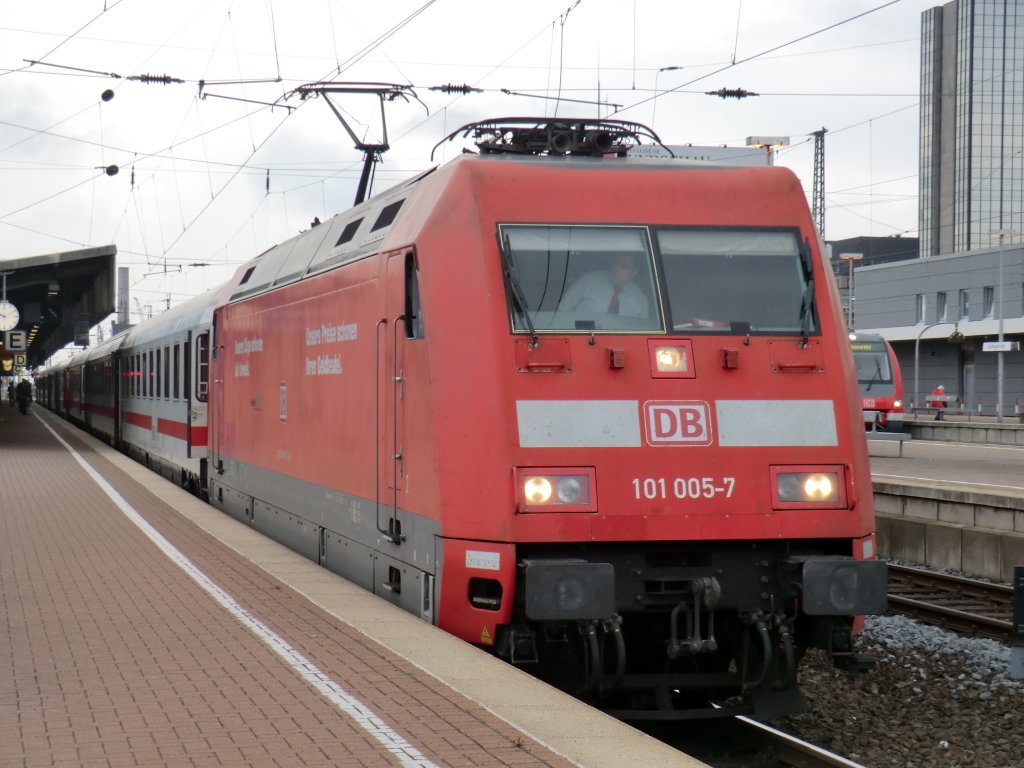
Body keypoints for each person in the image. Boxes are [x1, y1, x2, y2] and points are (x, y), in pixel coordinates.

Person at [559, 252, 650, 319]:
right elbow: (561, 312)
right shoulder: (588, 281)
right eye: (616, 263)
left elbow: (642, 333)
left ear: (634, 272)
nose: (616, 268)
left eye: (624, 266)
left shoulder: (640, 299)